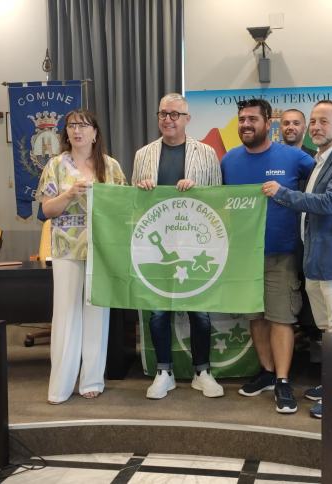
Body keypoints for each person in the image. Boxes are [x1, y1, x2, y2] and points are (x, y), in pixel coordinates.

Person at [261, 100, 332, 419]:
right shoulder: (318, 160)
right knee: (325, 328)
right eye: (314, 121)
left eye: (324, 121)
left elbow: (330, 203)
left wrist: (282, 193)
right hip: (316, 260)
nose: (317, 127)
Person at [221, 98, 314, 414]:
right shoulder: (229, 160)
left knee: (281, 317)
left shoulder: (293, 157)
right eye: (241, 119)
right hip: (243, 257)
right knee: (256, 317)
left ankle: (284, 382)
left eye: (252, 119)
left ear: (267, 123)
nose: (245, 125)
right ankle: (268, 373)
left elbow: (323, 182)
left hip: (281, 254)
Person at [132, 93, 224, 400]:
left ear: (187, 119)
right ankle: (164, 371)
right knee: (158, 313)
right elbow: (132, 203)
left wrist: (198, 191)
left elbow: (218, 200)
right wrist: (141, 190)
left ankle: (202, 371)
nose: (168, 119)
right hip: (157, 247)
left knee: (200, 313)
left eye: (174, 114)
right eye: (163, 113)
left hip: (195, 246)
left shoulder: (207, 153)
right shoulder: (143, 155)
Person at [37, 108, 126, 404]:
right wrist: (70, 194)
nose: (77, 131)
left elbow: (124, 207)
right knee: (65, 315)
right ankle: (60, 384)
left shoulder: (110, 167)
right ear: (66, 133)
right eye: (72, 125)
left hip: (101, 250)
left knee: (96, 315)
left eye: (84, 126)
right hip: (66, 249)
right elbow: (46, 211)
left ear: (95, 133)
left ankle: (91, 379)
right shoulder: (56, 165)